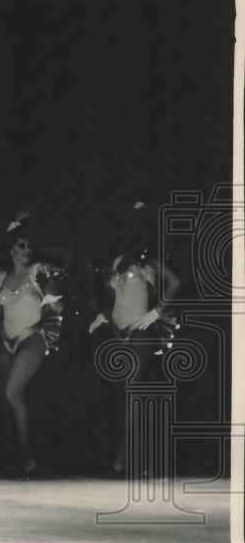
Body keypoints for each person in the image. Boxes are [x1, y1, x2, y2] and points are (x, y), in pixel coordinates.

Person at [88, 202, 179, 474]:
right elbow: (111, 298)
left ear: (140, 233)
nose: (126, 235)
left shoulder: (148, 261)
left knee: (131, 391)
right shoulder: (117, 262)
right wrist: (102, 316)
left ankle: (128, 452)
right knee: (119, 393)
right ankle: (129, 451)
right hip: (116, 329)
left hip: (140, 330)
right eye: (123, 230)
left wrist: (155, 312)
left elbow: (175, 282)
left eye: (131, 230)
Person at [0, 219, 64, 476]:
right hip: (7, 339)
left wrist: (53, 299)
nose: (27, 250)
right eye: (21, 245)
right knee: (10, 399)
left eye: (29, 246)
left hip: (33, 336)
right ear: (10, 249)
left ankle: (26, 452)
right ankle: (12, 453)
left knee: (11, 392)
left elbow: (59, 307)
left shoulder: (38, 271)